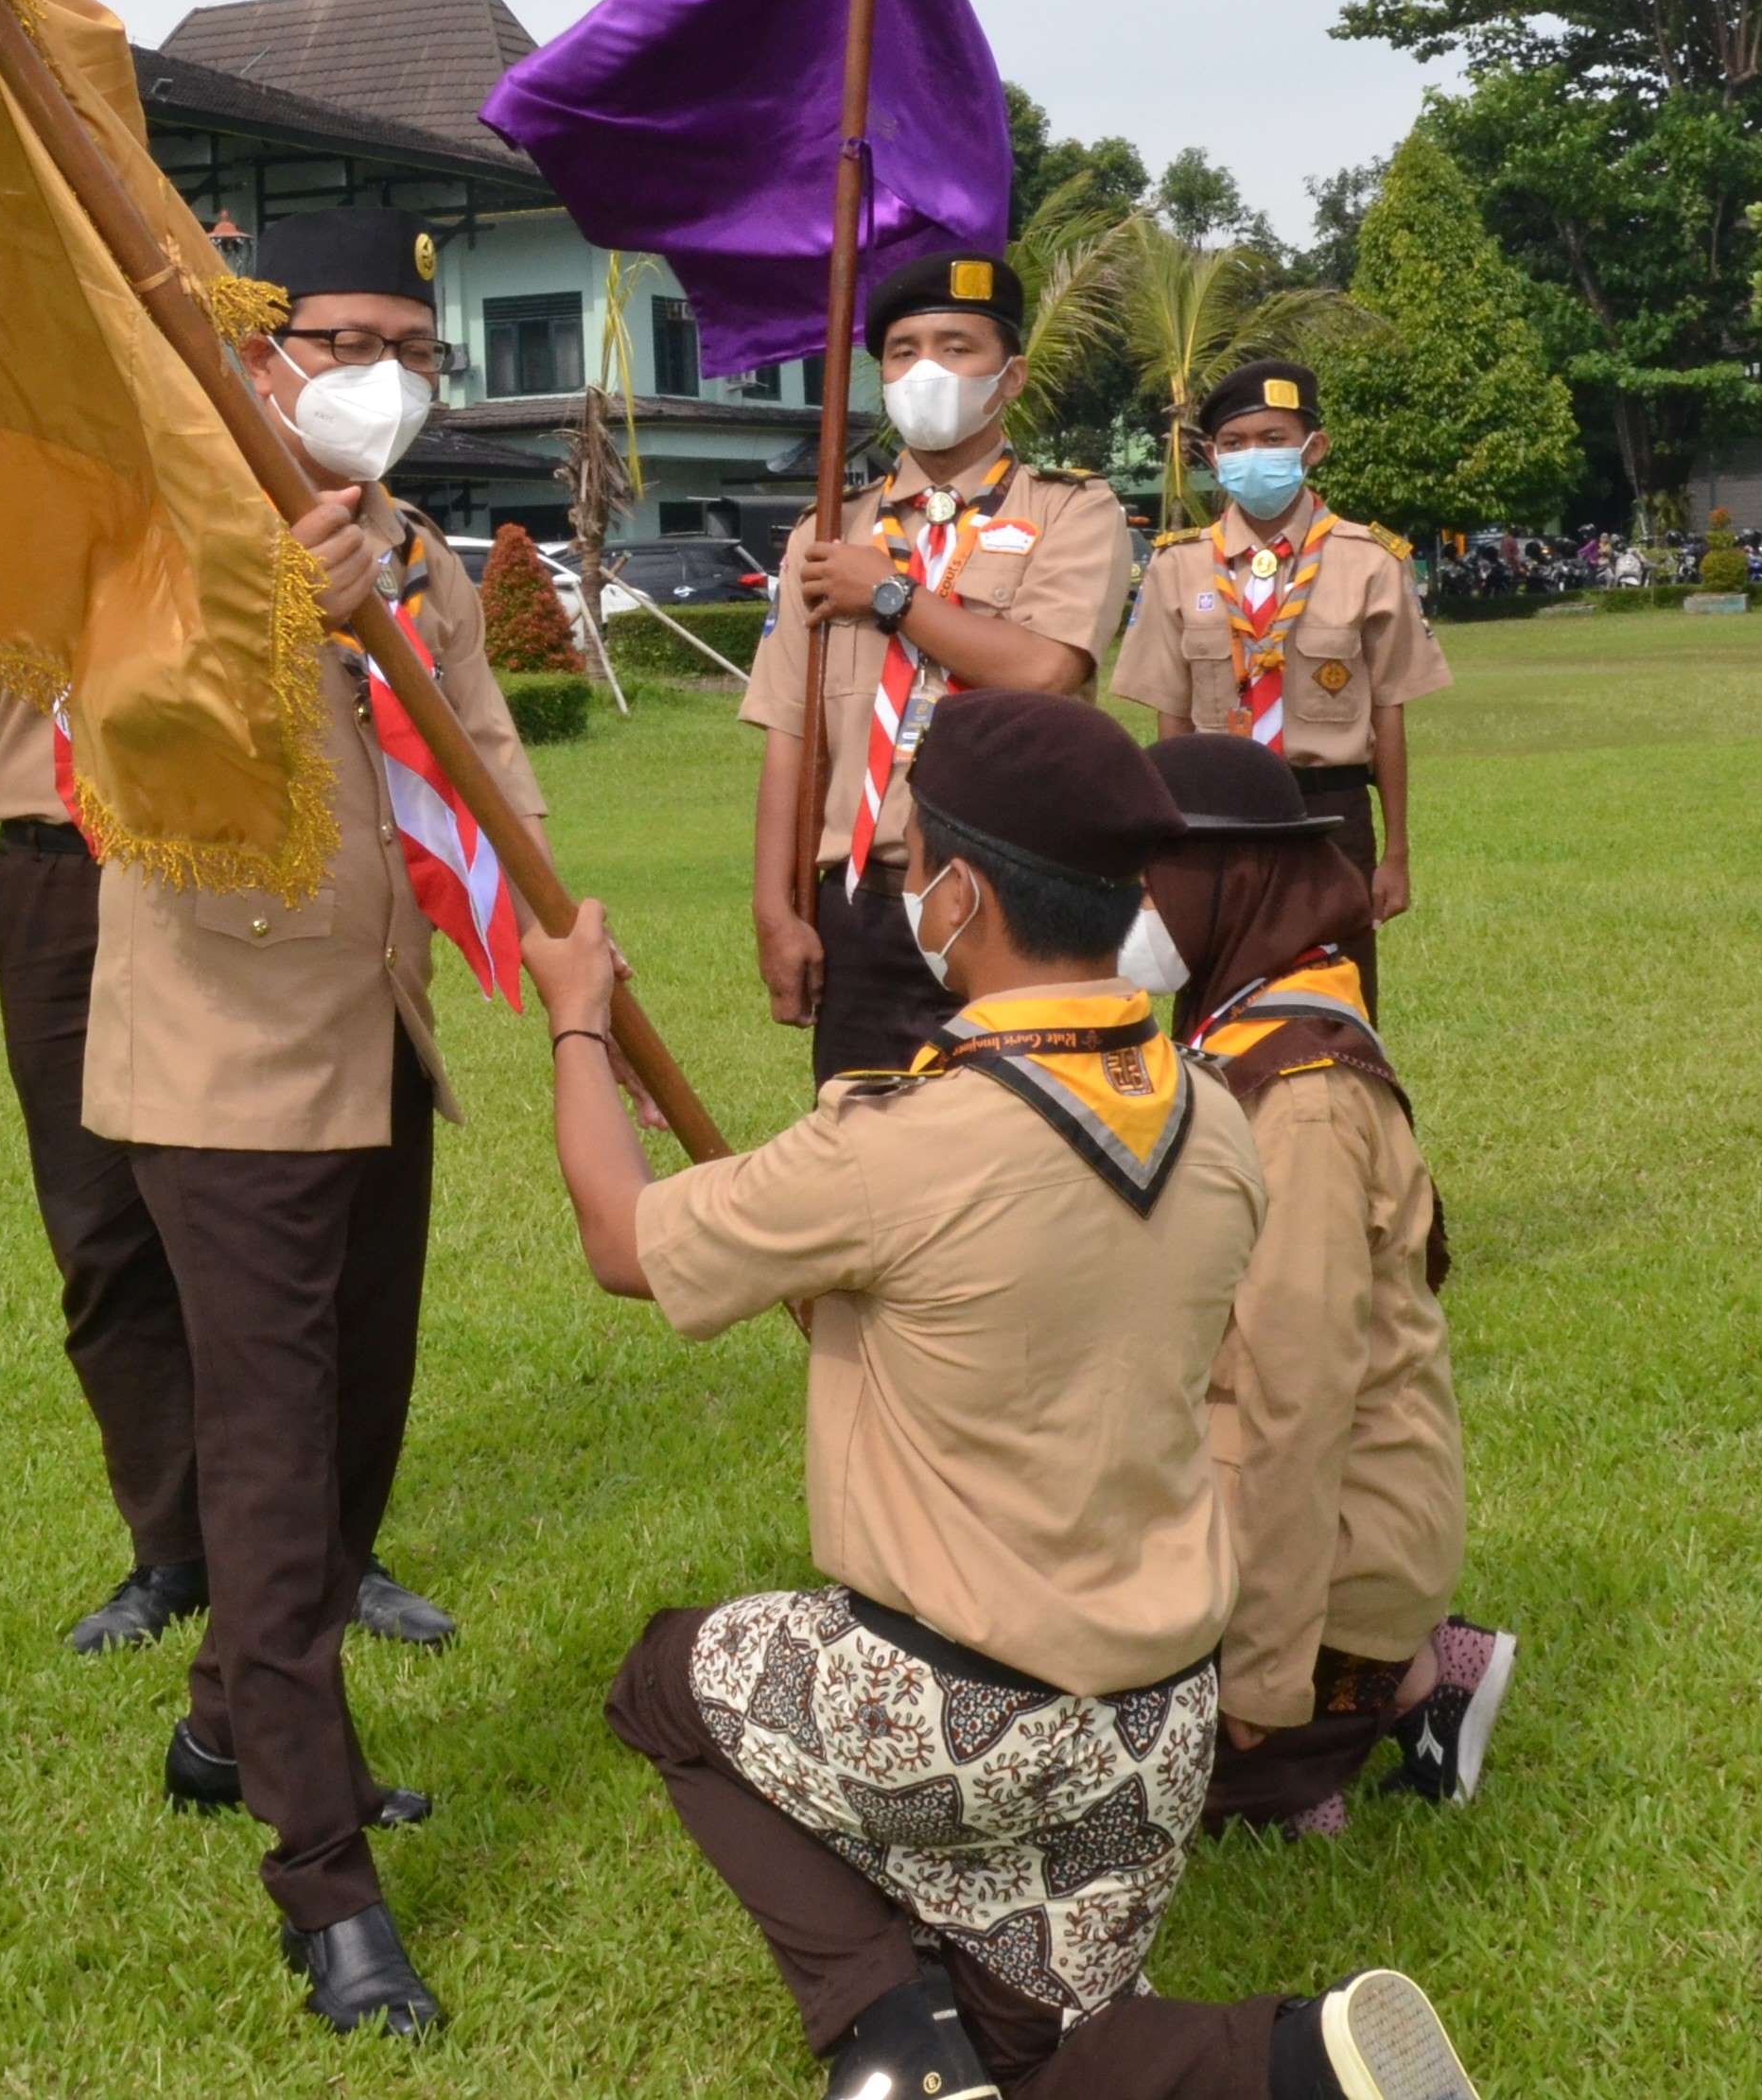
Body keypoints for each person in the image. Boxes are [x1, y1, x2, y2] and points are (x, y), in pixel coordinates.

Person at [528, 690, 1484, 2100]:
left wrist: (572, 1027)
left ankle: (881, 2030)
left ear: (964, 890)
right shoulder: (1217, 1115)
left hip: (966, 1706)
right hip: (1157, 1714)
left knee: (667, 1680)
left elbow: (623, 1242)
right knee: (1045, 2055)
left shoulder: (897, 1141)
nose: (903, 884)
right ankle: (1304, 2063)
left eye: (912, 861)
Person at [81, 204, 538, 2035]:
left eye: (411, 353)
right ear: (252, 350)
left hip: (375, 1042)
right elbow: (126, 718)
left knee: (351, 1446)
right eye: (342, 341)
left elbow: (480, 748)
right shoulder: (162, 519)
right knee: (273, 1469)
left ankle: (227, 1723)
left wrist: (567, 933)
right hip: (222, 1067)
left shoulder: (413, 548)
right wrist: (288, 592)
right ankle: (323, 1880)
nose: (382, 382)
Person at [0, 695, 467, 1659]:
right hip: (60, 875)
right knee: (101, 1228)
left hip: (234, 858)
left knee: (304, 1221)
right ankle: (171, 1551)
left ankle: (329, 1548)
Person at [1134, 735, 1511, 1837]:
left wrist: (1261, 1671)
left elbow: (1297, 1396)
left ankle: (1379, 1683)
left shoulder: (1296, 1098)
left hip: (1324, 1532)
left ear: (1228, 879)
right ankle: (1385, 1675)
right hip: (1284, 1503)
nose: (1122, 910)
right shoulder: (1243, 1024)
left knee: (1138, 1801)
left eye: (1141, 877)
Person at [746, 238, 1134, 1082]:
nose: (928, 371)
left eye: (958, 348)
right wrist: (774, 908)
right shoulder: (826, 533)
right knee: (863, 1148)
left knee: (1022, 1158)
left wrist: (891, 596)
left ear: (1013, 375)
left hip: (1020, 907)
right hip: (868, 904)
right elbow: (788, 731)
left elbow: (1045, 669)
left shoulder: (1074, 510)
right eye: (904, 352)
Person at [1110, 358, 1447, 1017]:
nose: (1253, 456)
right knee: (1211, 1006)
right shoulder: (1178, 566)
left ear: (1313, 447)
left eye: (1273, 438)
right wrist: (1169, 847)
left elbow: (1390, 713)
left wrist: (1396, 854)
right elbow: (1171, 723)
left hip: (1332, 817)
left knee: (1336, 1004)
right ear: (1212, 455)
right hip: (1216, 822)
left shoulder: (1369, 562)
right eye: (1234, 444)